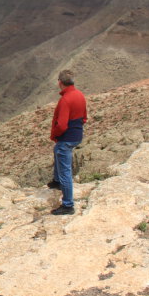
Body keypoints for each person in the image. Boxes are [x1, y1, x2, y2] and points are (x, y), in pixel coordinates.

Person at [47, 69, 87, 215]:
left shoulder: (66, 100)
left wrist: (56, 135)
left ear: (60, 83)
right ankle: (57, 181)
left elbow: (62, 125)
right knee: (57, 150)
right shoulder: (79, 95)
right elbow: (84, 118)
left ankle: (68, 205)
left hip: (66, 138)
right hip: (76, 135)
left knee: (65, 171)